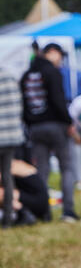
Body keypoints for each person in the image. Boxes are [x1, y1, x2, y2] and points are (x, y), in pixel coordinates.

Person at [19, 42, 81, 222]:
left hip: (35, 128)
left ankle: (44, 212)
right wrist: (68, 122)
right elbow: (58, 100)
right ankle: (68, 211)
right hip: (56, 126)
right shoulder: (52, 72)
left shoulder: (26, 75)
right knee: (66, 167)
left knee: (41, 172)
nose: (60, 59)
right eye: (59, 55)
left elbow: (24, 105)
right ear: (51, 53)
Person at [0, 67, 25, 227]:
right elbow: (19, 105)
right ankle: (8, 217)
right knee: (7, 176)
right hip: (11, 135)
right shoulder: (10, 76)